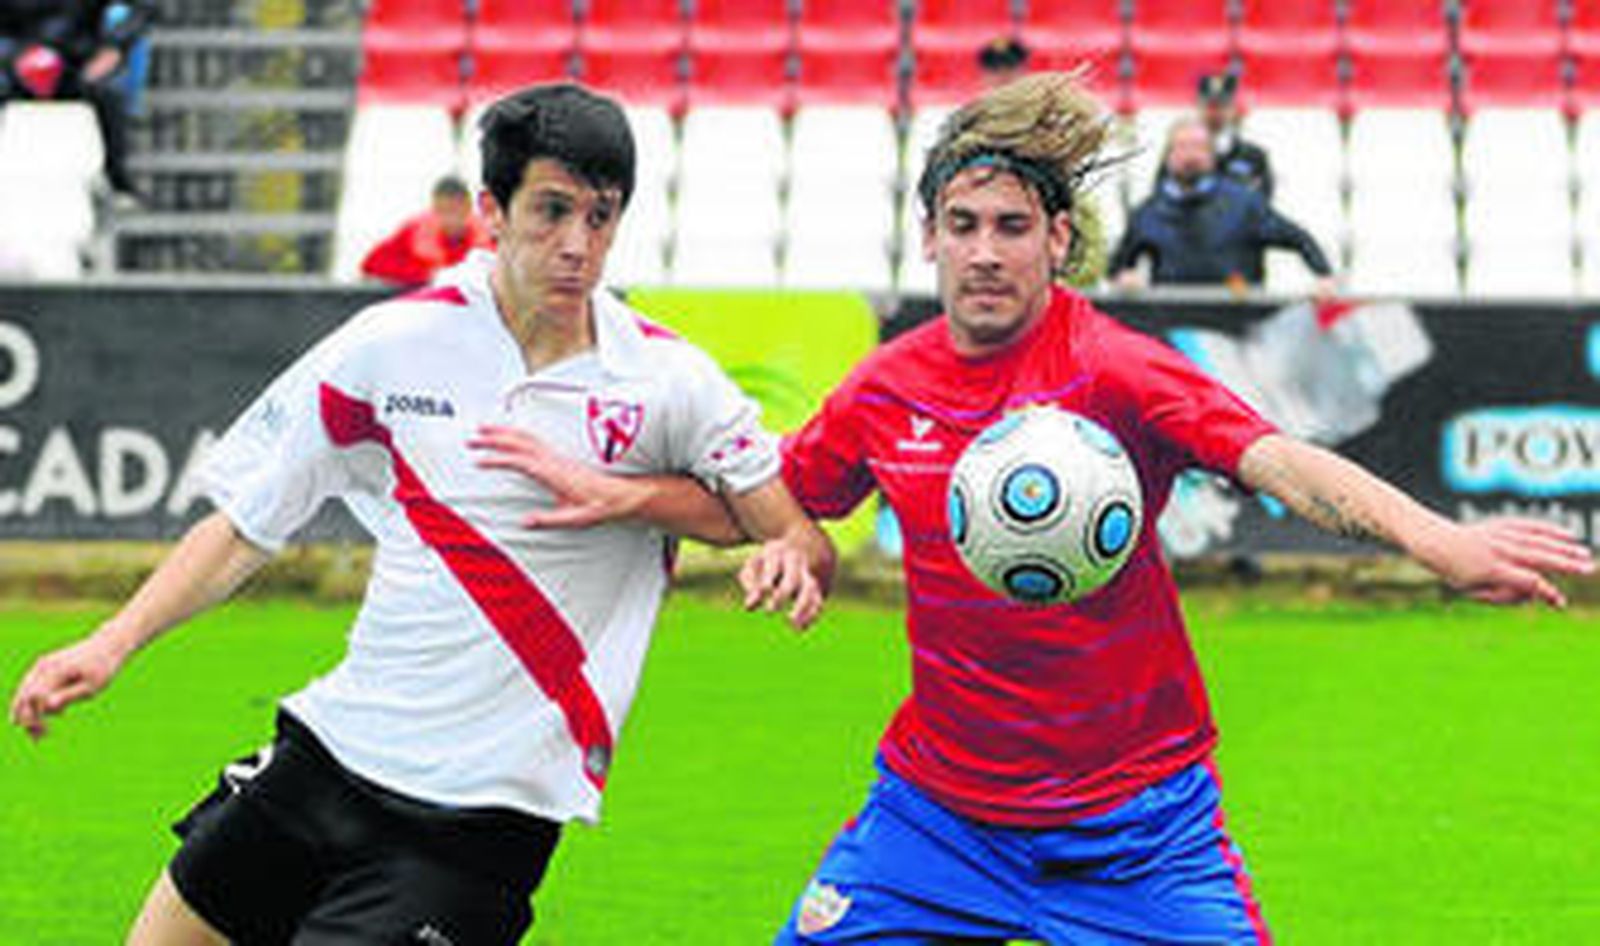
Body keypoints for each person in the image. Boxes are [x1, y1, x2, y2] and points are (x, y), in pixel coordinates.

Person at [471, 73, 1594, 943]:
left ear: (1059, 239)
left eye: (1012, 226)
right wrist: (638, 500)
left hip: (1139, 829)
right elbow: (769, 506)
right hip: (935, 821)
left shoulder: (1117, 369)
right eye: (962, 224)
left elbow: (1281, 462)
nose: (984, 252)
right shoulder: (888, 385)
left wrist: (1437, 540)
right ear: (928, 236)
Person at [8, 83, 834, 945]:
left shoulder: (668, 381)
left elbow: (796, 537)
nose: (577, 245)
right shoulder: (392, 343)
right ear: (491, 213)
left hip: (481, 822)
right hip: (326, 755)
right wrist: (110, 642)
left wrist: (635, 499)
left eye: (601, 216)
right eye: (551, 211)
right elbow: (248, 523)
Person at [1111, 115, 1337, 297]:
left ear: (1212, 156)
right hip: (1169, 326)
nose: (1190, 156)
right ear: (1168, 156)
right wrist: (1125, 278)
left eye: (1198, 147)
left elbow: (1300, 239)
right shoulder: (1148, 212)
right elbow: (1117, 266)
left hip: (1236, 324)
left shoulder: (1245, 204)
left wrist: (1324, 277)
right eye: (1182, 147)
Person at [0, 0, 153, 201]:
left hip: (77, 63)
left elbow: (140, 8)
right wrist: (14, 55)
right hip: (15, 60)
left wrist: (115, 45)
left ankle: (116, 179)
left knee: (109, 92)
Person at [359, 174, 495, 288]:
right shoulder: (413, 232)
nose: (449, 219)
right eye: (441, 210)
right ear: (433, 208)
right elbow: (371, 264)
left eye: (454, 210)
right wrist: (424, 274)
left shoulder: (492, 235)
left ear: (468, 208)